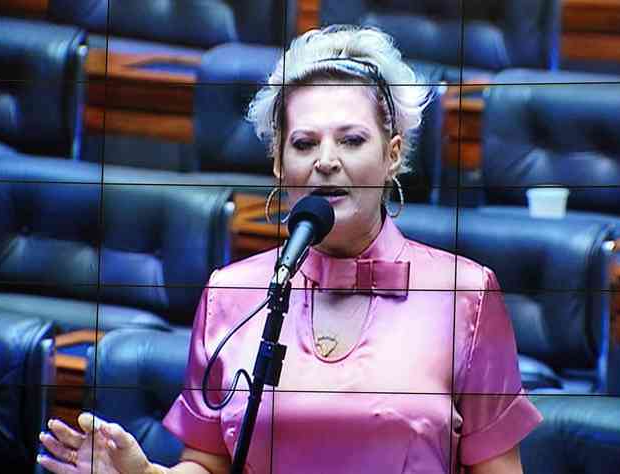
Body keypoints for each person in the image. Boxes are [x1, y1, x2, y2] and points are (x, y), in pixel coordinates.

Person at [38, 25, 542, 474]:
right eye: (303, 143)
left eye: (351, 140)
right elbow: (209, 465)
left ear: (392, 155)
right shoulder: (232, 294)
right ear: (279, 163)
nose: (325, 161)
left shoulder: (464, 295)